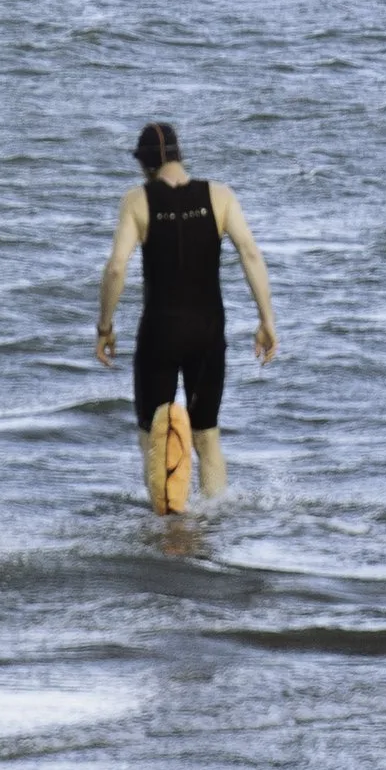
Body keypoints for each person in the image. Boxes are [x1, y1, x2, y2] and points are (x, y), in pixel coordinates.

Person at [95, 121, 277, 506]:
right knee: (206, 435)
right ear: (180, 155)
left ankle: (164, 524)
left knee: (153, 435)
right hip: (208, 331)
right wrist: (267, 320)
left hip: (159, 333)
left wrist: (105, 327)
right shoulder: (220, 195)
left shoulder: (137, 201)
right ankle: (214, 519)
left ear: (144, 165)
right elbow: (251, 254)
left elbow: (115, 268)